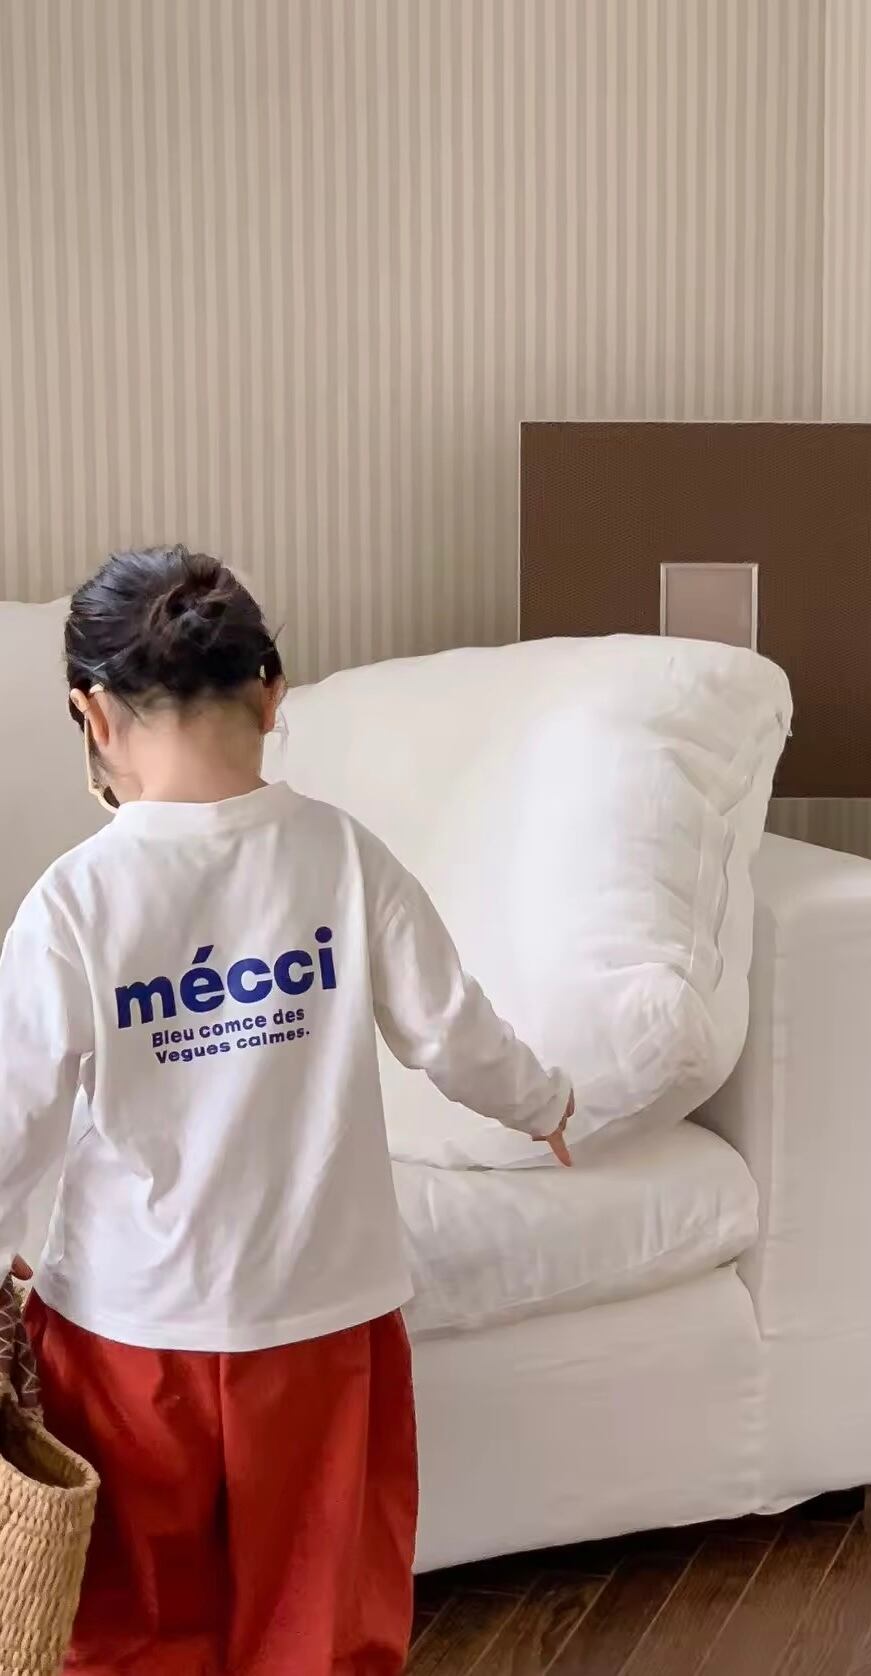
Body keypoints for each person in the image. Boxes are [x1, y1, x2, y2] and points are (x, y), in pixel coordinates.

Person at [0, 546, 573, 1675]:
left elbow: (14, 1112)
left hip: (128, 1330)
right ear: (272, 693)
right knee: (322, 1615)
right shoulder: (342, 856)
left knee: (135, 1626)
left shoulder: (74, 901)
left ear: (92, 715)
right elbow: (452, 1028)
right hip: (325, 1324)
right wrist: (543, 1101)